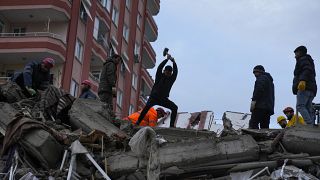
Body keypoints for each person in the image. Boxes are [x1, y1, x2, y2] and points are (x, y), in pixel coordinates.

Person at [136, 55, 178, 127]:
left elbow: (176, 72)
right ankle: (138, 122)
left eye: (169, 73)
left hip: (163, 99)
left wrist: (173, 62)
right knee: (146, 108)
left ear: (171, 73)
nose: (167, 74)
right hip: (154, 97)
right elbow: (159, 67)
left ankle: (171, 126)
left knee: (174, 107)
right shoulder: (159, 76)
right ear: (164, 71)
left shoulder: (171, 79)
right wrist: (166, 60)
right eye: (166, 72)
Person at [292, 46, 317, 124]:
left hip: (304, 87)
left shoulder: (303, 59)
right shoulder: (308, 60)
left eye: (296, 53)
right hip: (311, 88)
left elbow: (306, 69)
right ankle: (312, 124)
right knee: (308, 107)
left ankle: (309, 124)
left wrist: (302, 80)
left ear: (300, 52)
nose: (295, 56)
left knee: (300, 106)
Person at [249, 65, 275, 129]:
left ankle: (254, 139)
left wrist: (254, 100)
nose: (255, 74)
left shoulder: (261, 78)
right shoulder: (270, 81)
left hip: (260, 106)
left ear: (260, 72)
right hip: (268, 108)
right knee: (264, 127)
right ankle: (263, 139)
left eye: (256, 72)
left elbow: (259, 89)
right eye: (254, 72)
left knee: (253, 124)